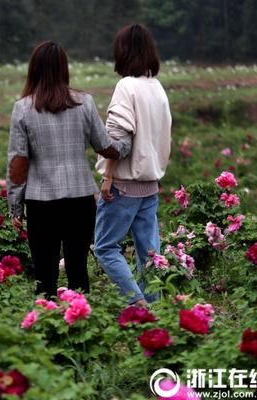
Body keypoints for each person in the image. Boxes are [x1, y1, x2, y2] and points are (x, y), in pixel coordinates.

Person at [6, 41, 131, 299]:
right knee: (78, 270)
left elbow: (18, 164)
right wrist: (126, 145)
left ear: (34, 70)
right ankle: (81, 322)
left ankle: (47, 325)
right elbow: (105, 145)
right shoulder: (84, 103)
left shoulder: (23, 109)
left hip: (41, 202)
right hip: (80, 199)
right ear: (64, 68)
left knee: (45, 273)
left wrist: (15, 207)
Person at [94, 24, 172, 307]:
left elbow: (118, 140)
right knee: (149, 253)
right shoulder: (157, 88)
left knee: (105, 247)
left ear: (122, 52)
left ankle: (137, 303)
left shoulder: (127, 87)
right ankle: (154, 310)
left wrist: (108, 177)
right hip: (149, 185)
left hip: (124, 185)